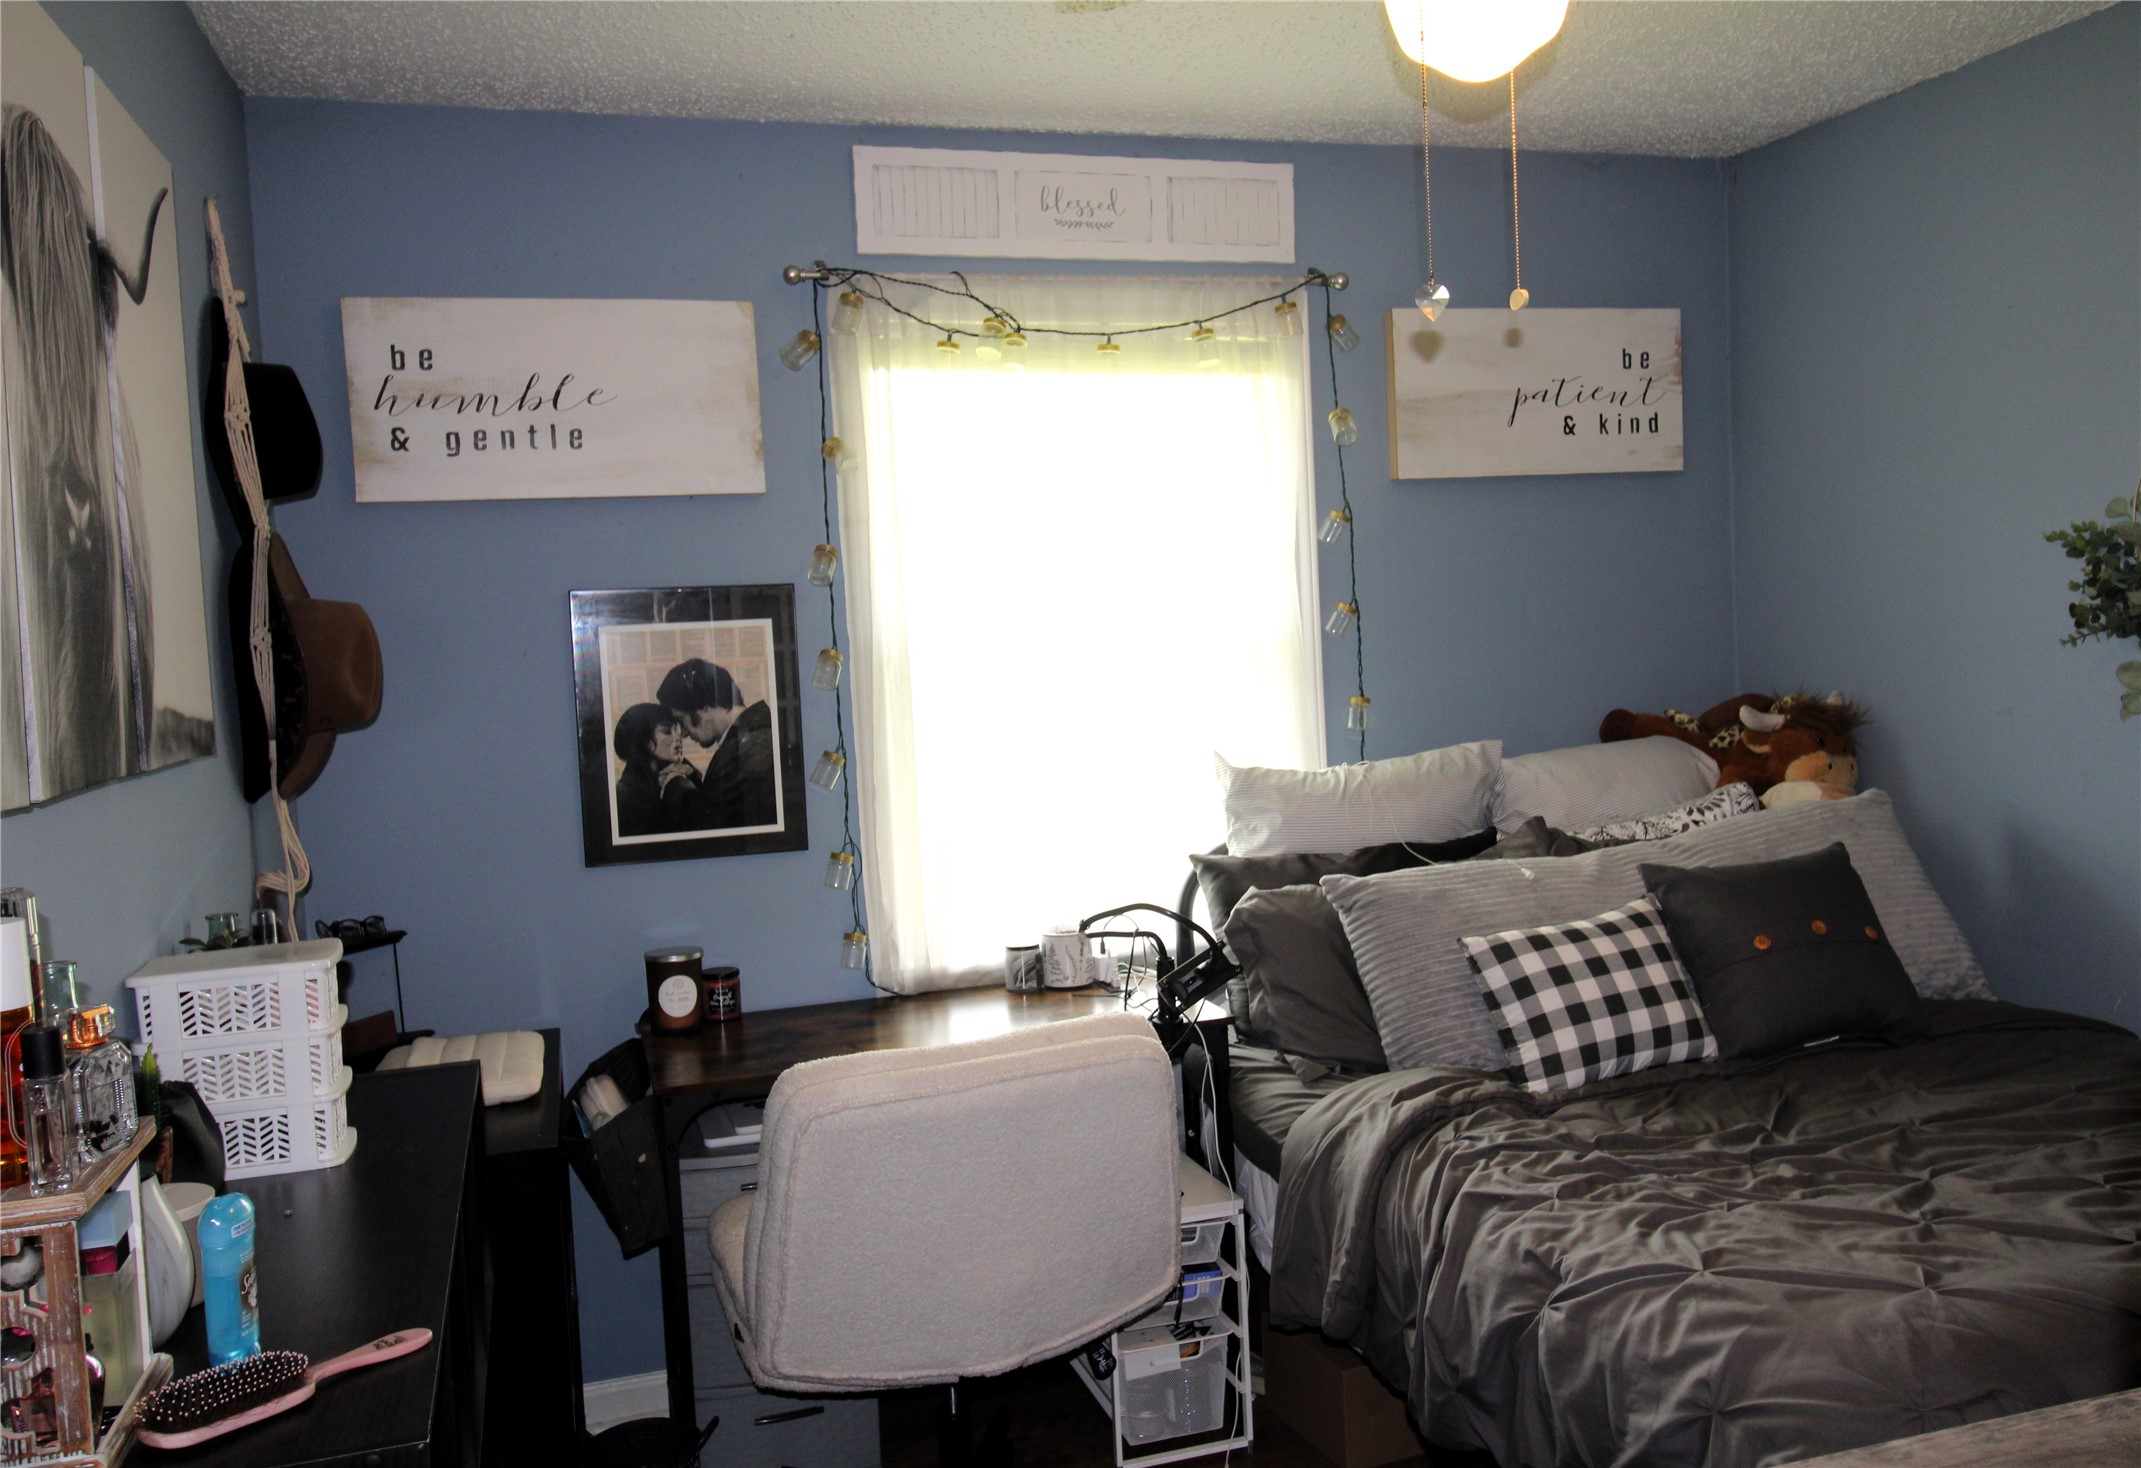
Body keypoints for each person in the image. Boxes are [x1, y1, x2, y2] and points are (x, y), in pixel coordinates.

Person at [657, 658, 777, 830]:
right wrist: (691, 777)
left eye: (680, 720)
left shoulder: (747, 747)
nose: (683, 733)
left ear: (703, 706)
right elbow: (722, 804)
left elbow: (709, 828)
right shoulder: (749, 737)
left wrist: (674, 782)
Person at [612, 702, 698, 837]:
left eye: (678, 730)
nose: (678, 738)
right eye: (667, 731)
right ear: (642, 739)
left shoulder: (685, 775)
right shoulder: (625, 798)